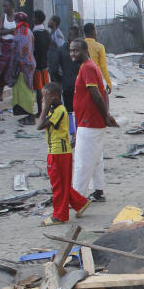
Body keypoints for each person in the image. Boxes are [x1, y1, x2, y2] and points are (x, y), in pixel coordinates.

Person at [70, 38, 117, 202]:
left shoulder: (88, 67)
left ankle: (77, 198)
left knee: (82, 162)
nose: (72, 53)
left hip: (90, 122)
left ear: (84, 51)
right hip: (89, 121)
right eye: (71, 50)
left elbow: (97, 94)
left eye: (75, 50)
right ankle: (98, 191)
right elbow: (101, 93)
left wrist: (105, 115)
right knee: (96, 158)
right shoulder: (88, 66)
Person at [36, 82, 89, 225]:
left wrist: (44, 107)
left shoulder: (59, 111)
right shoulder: (54, 110)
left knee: (58, 185)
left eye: (45, 97)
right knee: (63, 184)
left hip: (59, 152)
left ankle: (59, 215)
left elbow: (39, 125)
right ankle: (80, 203)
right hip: (57, 151)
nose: (43, 100)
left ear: (53, 97)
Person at [9, 11, 36, 119]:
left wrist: (15, 66)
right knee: (24, 88)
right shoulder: (29, 31)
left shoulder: (20, 33)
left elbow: (19, 52)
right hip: (29, 63)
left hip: (22, 65)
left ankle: (30, 115)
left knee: (26, 90)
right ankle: (23, 111)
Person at [0, 0, 16, 101]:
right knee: (1, 70)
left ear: (12, 7)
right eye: (3, 6)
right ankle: (0, 94)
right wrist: (11, 31)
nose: (4, 8)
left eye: (6, 6)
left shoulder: (17, 17)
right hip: (4, 46)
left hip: (14, 47)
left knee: (13, 70)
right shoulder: (3, 17)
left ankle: (15, 95)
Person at [83, 23, 112, 96]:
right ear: (93, 31)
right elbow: (103, 66)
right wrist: (108, 82)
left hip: (83, 76)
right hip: (96, 77)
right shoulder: (100, 47)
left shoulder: (80, 45)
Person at [33, 10, 51, 114]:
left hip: (37, 64)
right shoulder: (46, 33)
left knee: (39, 89)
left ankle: (40, 111)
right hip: (45, 64)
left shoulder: (33, 33)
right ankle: (47, 109)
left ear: (36, 19)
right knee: (46, 88)